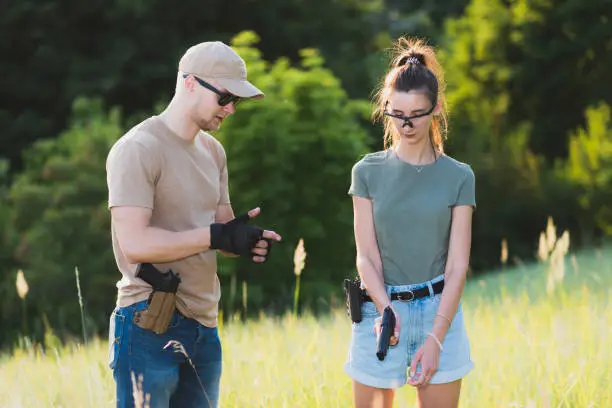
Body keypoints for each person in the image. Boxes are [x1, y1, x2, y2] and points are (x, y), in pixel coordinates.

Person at [105, 41, 282, 408]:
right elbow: (135, 244)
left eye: (238, 101)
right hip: (147, 325)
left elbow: (219, 231)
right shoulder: (137, 148)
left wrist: (241, 239)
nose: (231, 109)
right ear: (189, 83)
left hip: (205, 329)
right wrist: (213, 236)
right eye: (225, 97)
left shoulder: (214, 152)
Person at [343, 36, 476, 408]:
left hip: (440, 311)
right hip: (379, 310)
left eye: (416, 114)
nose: (406, 124)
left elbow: (457, 265)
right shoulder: (366, 172)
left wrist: (435, 338)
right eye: (397, 114)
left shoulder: (459, 176)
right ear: (387, 110)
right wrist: (386, 309)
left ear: (434, 109)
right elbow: (366, 256)